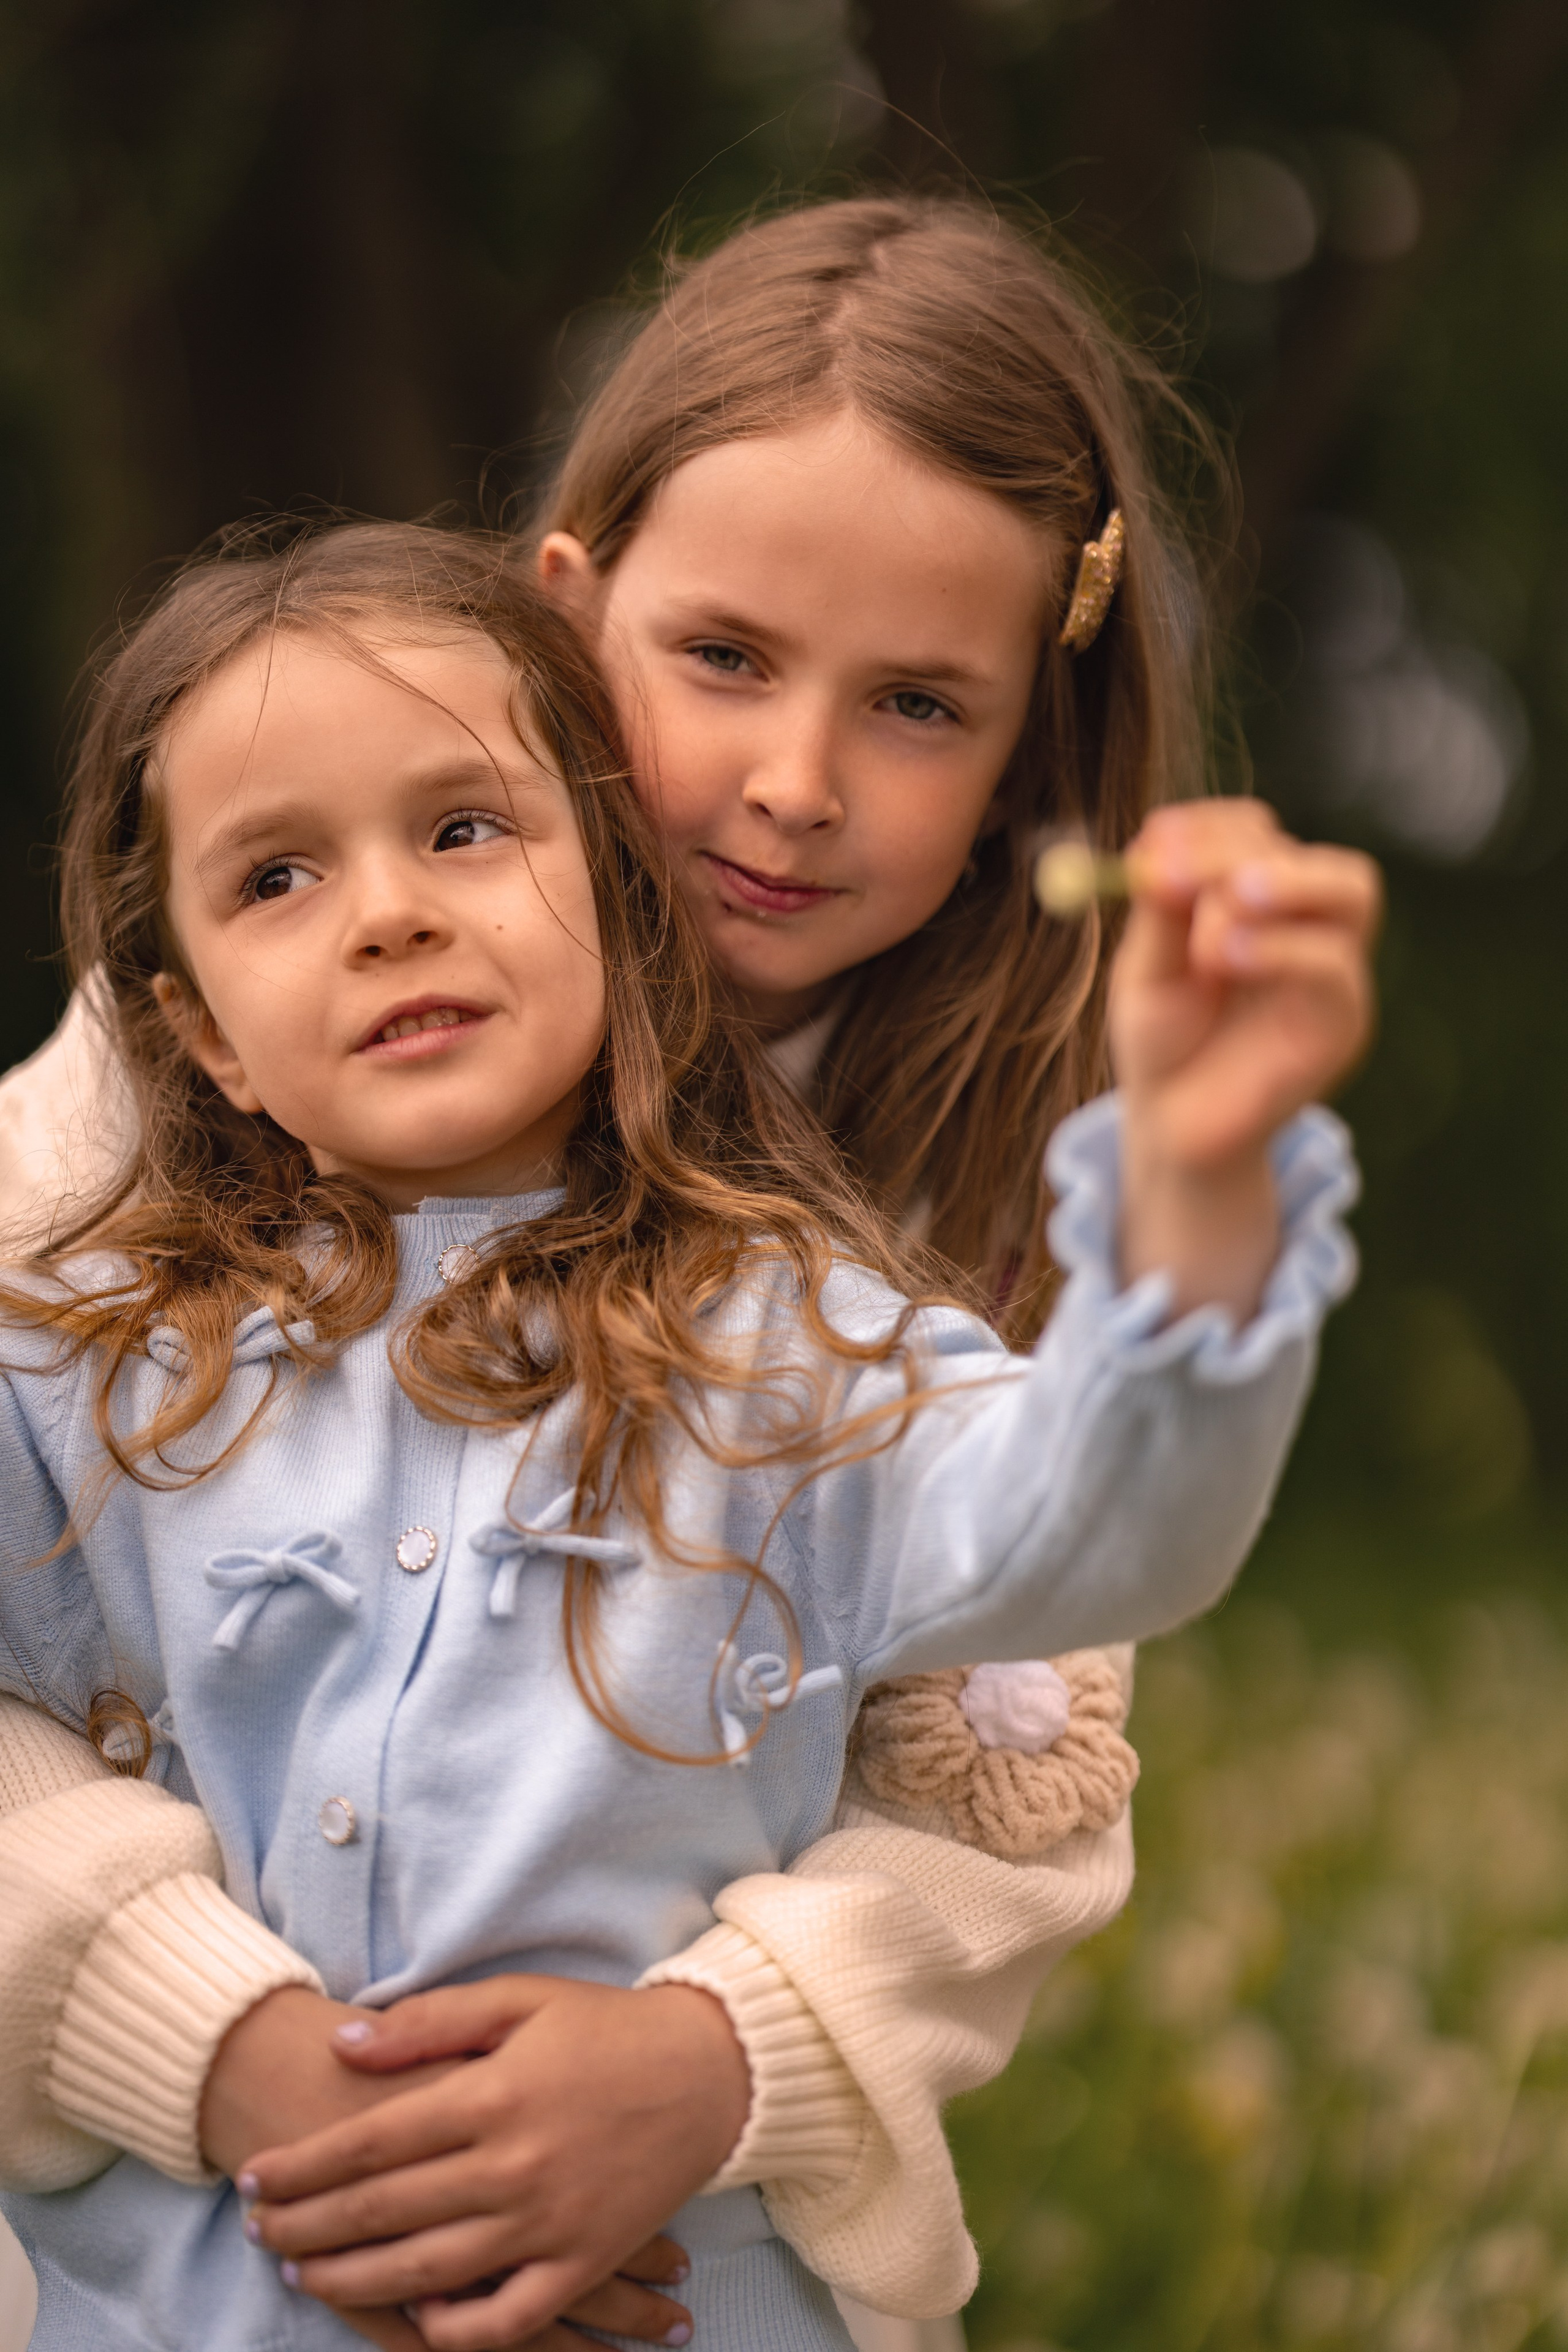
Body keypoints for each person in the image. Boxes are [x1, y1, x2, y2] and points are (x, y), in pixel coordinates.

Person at [0, 199, 1379, 2350]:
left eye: (917, 703)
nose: (791, 783)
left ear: (1028, 753)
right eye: (721, 658)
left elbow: (1002, 1780)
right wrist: (259, 2070)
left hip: (680, 2246)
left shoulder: (923, 1252)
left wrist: (710, 2065)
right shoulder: (165, 1108)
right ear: (571, 617)